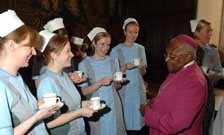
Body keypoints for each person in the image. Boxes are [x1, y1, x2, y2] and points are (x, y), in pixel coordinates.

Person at [0, 10, 57, 134]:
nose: (34, 52)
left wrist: (38, 104)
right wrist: (37, 116)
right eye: (30, 45)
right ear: (11, 46)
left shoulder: (17, 76)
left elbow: (17, 110)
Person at [140, 34, 208, 135]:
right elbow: (171, 94)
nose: (166, 60)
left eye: (172, 56)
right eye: (166, 55)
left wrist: (148, 113)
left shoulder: (194, 82)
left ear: (187, 57)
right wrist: (155, 102)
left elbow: (174, 123)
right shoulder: (179, 68)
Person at [35, 30, 96, 135]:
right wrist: (80, 112)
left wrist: (87, 104)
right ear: (54, 55)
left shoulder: (65, 76)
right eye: (68, 51)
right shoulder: (47, 82)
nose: (72, 54)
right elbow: (49, 122)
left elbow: (69, 105)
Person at [78, 27, 126, 135]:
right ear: (94, 43)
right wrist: (100, 82)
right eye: (102, 44)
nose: (105, 48)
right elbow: (84, 91)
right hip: (95, 106)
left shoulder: (113, 61)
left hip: (114, 104)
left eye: (108, 44)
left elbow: (117, 88)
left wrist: (118, 82)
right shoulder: (84, 64)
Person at [110, 18, 147, 134]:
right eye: (130, 31)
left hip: (138, 90)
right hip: (124, 91)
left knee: (137, 124)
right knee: (124, 123)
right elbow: (113, 74)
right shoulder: (116, 50)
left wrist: (141, 68)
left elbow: (143, 74)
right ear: (124, 32)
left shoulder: (141, 48)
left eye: (135, 32)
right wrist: (125, 66)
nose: (133, 34)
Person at [32, 18, 86, 84]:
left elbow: (70, 72)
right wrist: (67, 79)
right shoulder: (40, 57)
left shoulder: (68, 53)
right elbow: (38, 81)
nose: (66, 42)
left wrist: (77, 76)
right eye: (62, 40)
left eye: (67, 38)